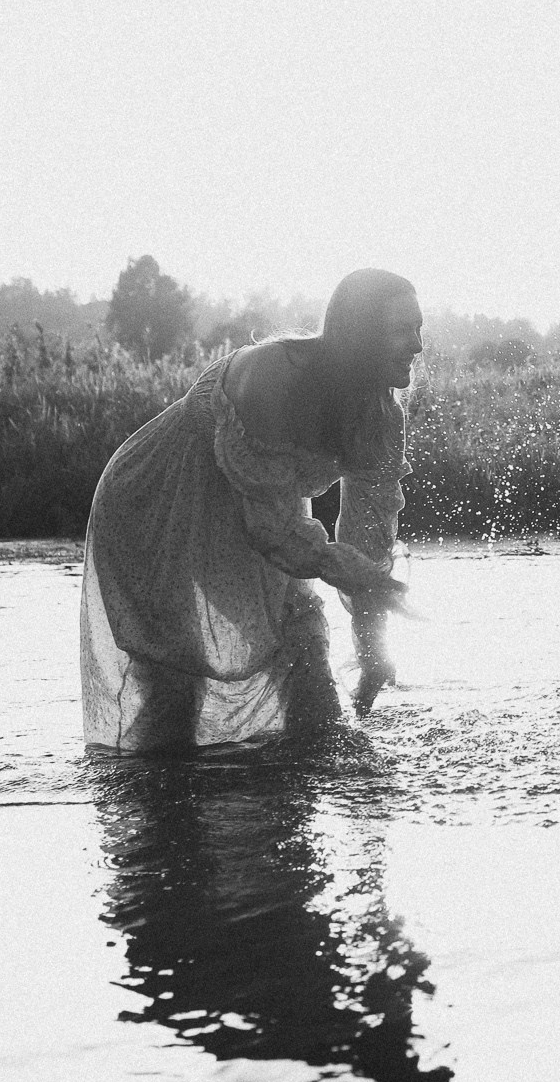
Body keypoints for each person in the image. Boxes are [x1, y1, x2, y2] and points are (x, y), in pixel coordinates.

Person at [80, 269, 419, 750]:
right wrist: (368, 580)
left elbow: (369, 543)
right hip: (156, 503)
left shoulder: (383, 417)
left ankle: (309, 780)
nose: (418, 346)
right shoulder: (273, 376)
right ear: (361, 335)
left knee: (306, 659)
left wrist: (371, 648)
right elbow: (276, 535)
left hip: (261, 512)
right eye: (403, 331)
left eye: (419, 329)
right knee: (176, 688)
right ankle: (158, 791)